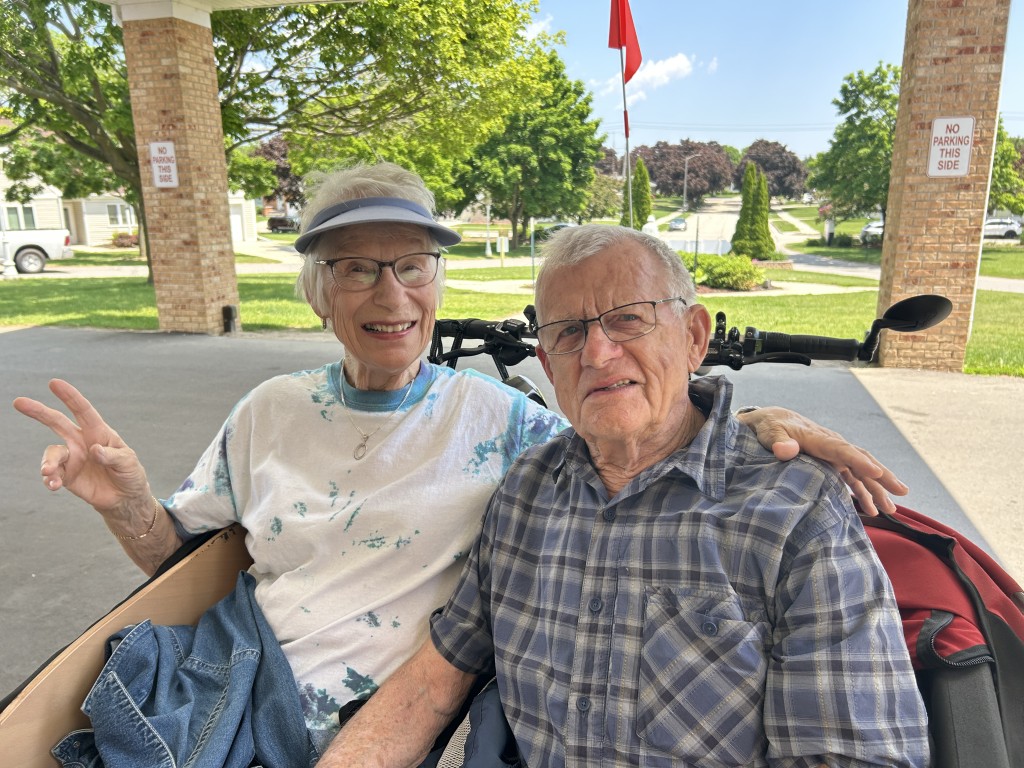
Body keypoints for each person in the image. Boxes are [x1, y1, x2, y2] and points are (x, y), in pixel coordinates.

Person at [14, 164, 906, 763]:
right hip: (235, 689)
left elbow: (638, 436)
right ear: (321, 294)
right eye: (356, 268)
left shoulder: (511, 433)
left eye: (409, 264)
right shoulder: (276, 415)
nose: (388, 293)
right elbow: (186, 568)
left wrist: (746, 426)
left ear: (439, 280)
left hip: (344, 722)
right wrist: (126, 500)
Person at [320, 224, 930, 767]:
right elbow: (432, 685)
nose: (597, 352)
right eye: (567, 332)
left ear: (695, 336)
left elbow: (853, 753)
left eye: (629, 319)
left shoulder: (793, 511)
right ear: (547, 366)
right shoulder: (526, 494)